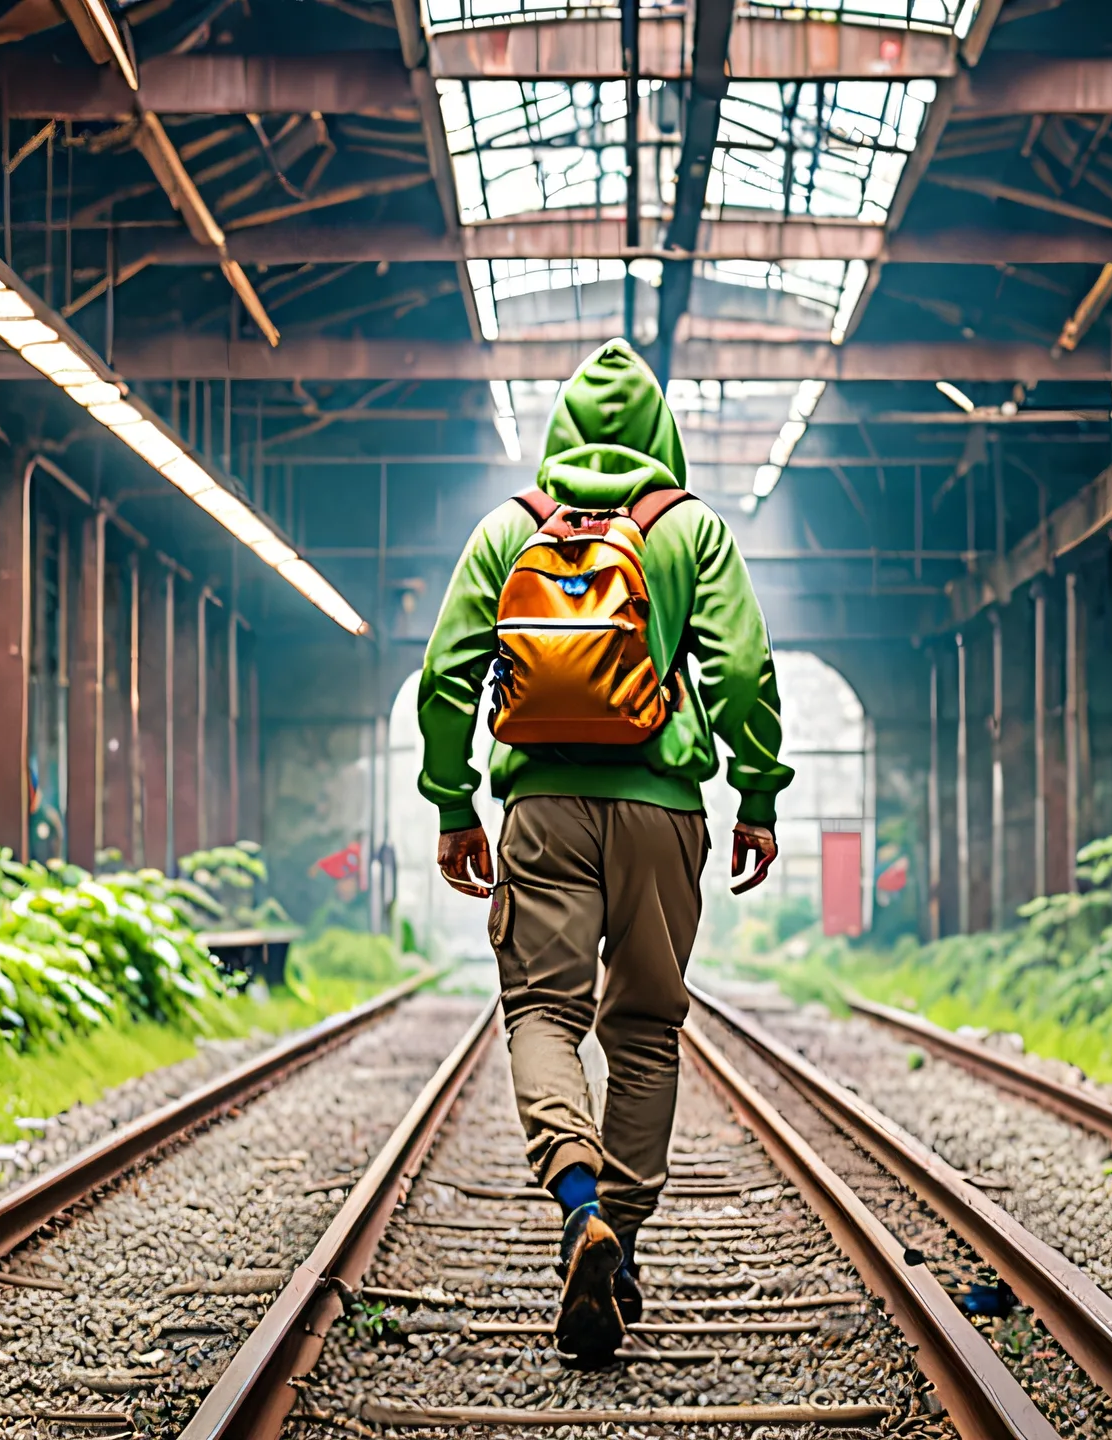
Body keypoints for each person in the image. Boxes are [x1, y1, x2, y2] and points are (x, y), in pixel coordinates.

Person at [417, 338, 790, 1362]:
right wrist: (756, 792)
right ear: (661, 437)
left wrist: (454, 803)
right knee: (644, 1029)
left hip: (540, 806)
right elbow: (744, 672)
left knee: (542, 1009)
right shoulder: (691, 530)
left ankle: (575, 1201)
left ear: (561, 435)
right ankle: (618, 1243)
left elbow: (446, 676)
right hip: (662, 810)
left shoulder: (508, 529)